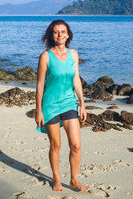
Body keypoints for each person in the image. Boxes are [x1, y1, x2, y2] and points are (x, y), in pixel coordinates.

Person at [35, 19, 90, 192]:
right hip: (50, 105)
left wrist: (82, 104)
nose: (60, 35)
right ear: (51, 35)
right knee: (55, 146)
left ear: (68, 34)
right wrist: (38, 111)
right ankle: (56, 179)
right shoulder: (45, 56)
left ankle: (74, 180)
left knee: (76, 145)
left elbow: (76, 79)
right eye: (56, 32)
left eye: (63, 31)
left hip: (69, 103)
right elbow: (40, 84)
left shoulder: (74, 54)